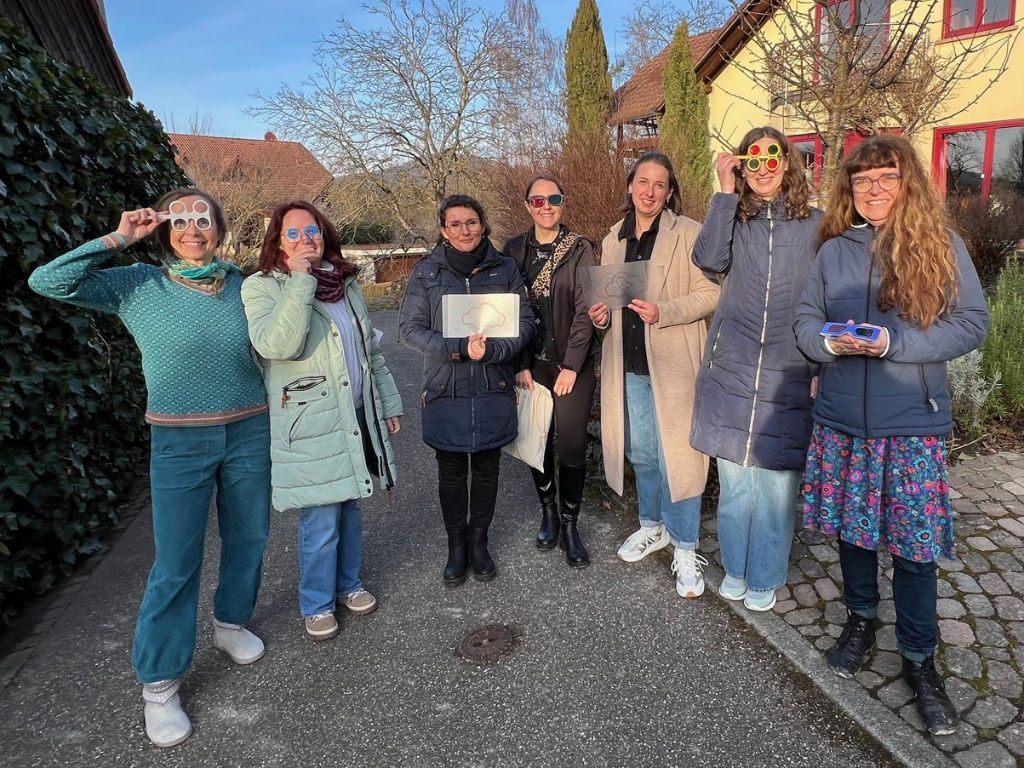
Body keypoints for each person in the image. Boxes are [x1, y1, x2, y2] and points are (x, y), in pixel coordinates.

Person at [28, 188, 270, 748]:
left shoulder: (241, 283)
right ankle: (159, 685)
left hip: (249, 429)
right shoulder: (138, 283)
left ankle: (231, 622)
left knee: (250, 538)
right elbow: (48, 282)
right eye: (180, 220)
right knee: (177, 560)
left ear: (218, 227)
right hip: (179, 440)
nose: (192, 230)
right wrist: (119, 238)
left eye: (203, 220)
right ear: (163, 229)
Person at [794, 135, 988, 735]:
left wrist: (896, 343)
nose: (873, 190)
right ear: (847, 190)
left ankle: (919, 659)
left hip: (911, 425)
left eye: (886, 178)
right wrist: (829, 342)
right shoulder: (832, 253)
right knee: (854, 536)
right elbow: (804, 322)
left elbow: (972, 324)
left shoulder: (941, 245)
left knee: (914, 547)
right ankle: (859, 619)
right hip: (844, 421)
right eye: (862, 181)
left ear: (907, 183)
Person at [241, 201, 402, 641]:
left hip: (355, 412)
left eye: (310, 230)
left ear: (324, 233)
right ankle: (316, 603)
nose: (304, 239)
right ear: (277, 242)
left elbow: (370, 351)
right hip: (309, 422)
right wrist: (299, 280)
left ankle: (349, 585)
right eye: (292, 234)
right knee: (321, 517)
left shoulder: (345, 284)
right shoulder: (261, 287)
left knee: (351, 503)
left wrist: (387, 403)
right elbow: (278, 345)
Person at [690, 127, 822, 612]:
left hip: (790, 369)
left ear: (788, 164)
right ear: (741, 165)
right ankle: (738, 568)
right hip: (733, 367)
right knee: (735, 484)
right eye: (753, 158)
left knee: (776, 487)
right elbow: (708, 261)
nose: (763, 167)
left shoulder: (816, 224)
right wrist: (723, 195)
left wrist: (820, 363)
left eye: (774, 157)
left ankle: (764, 574)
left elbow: (830, 297)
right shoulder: (734, 219)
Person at [588, 151, 720, 597]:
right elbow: (607, 306)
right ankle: (652, 526)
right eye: (643, 181)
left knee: (677, 459)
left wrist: (665, 311)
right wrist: (601, 316)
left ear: (669, 192)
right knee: (643, 453)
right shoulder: (612, 239)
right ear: (630, 186)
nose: (649, 191)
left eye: (659, 184)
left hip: (674, 366)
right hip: (628, 367)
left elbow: (710, 293)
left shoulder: (689, 234)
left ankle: (685, 545)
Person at [399, 194, 534, 586]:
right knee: (453, 472)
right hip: (446, 387)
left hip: (493, 383)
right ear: (443, 229)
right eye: (455, 224)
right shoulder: (426, 272)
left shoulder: (504, 268)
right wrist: (457, 348)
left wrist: (494, 350)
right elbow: (409, 330)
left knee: (488, 468)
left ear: (483, 225)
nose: (464, 230)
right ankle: (456, 546)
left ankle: (480, 542)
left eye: (471, 222)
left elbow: (524, 323)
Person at [503, 175, 598, 567]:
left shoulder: (581, 248)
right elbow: (507, 310)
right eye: (537, 200)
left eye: (553, 198)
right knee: (537, 440)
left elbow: (585, 310)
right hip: (530, 366)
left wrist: (572, 365)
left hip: (572, 363)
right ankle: (548, 512)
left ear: (564, 201)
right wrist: (520, 364)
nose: (546, 206)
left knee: (573, 443)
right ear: (527, 205)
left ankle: (571, 523)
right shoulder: (512, 250)